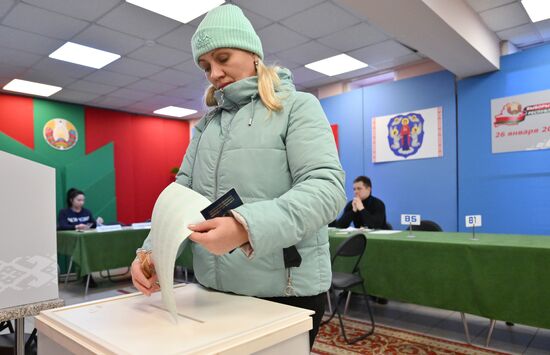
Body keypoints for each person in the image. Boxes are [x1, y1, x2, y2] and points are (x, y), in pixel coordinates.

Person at [130, 4, 346, 348]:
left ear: (254, 54)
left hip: (285, 292)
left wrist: (245, 227)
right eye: (205, 66)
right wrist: (151, 251)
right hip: (216, 291)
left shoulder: (297, 107)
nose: (215, 73)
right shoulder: (206, 127)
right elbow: (181, 195)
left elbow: (326, 190)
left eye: (223, 57)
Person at [58, 188, 103, 288]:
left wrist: (98, 223)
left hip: (88, 240)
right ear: (71, 200)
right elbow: (61, 226)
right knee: (83, 251)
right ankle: (87, 276)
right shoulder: (64, 212)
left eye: (83, 200)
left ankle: (88, 275)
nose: (81, 202)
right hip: (73, 242)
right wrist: (76, 226)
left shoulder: (86, 212)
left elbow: (93, 224)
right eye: (79, 200)